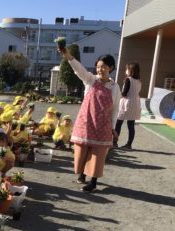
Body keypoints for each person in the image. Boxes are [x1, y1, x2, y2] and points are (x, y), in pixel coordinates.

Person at [59, 47, 121, 193]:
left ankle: (93, 182)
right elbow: (79, 69)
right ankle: (82, 174)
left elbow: (116, 108)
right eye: (98, 67)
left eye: (103, 67)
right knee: (82, 150)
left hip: (103, 125)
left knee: (98, 154)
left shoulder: (115, 87)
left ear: (111, 68)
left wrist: (113, 128)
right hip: (86, 122)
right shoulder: (90, 80)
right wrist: (68, 56)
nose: (100, 70)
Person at [115, 62, 141, 149]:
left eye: (127, 69)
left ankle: (114, 143)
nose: (125, 71)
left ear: (131, 71)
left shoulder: (128, 80)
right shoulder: (139, 81)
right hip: (135, 104)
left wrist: (116, 96)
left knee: (118, 123)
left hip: (126, 104)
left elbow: (124, 93)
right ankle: (129, 144)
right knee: (131, 125)